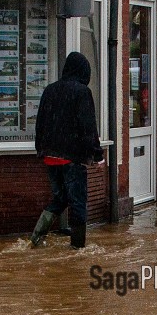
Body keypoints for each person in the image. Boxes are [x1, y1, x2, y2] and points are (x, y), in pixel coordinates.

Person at [30, 52, 104, 249]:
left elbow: (40, 123)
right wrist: (97, 155)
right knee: (78, 202)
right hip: (72, 158)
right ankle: (77, 248)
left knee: (61, 198)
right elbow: (88, 127)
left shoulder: (50, 90)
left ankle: (36, 238)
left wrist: (41, 149)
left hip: (50, 157)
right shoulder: (81, 92)